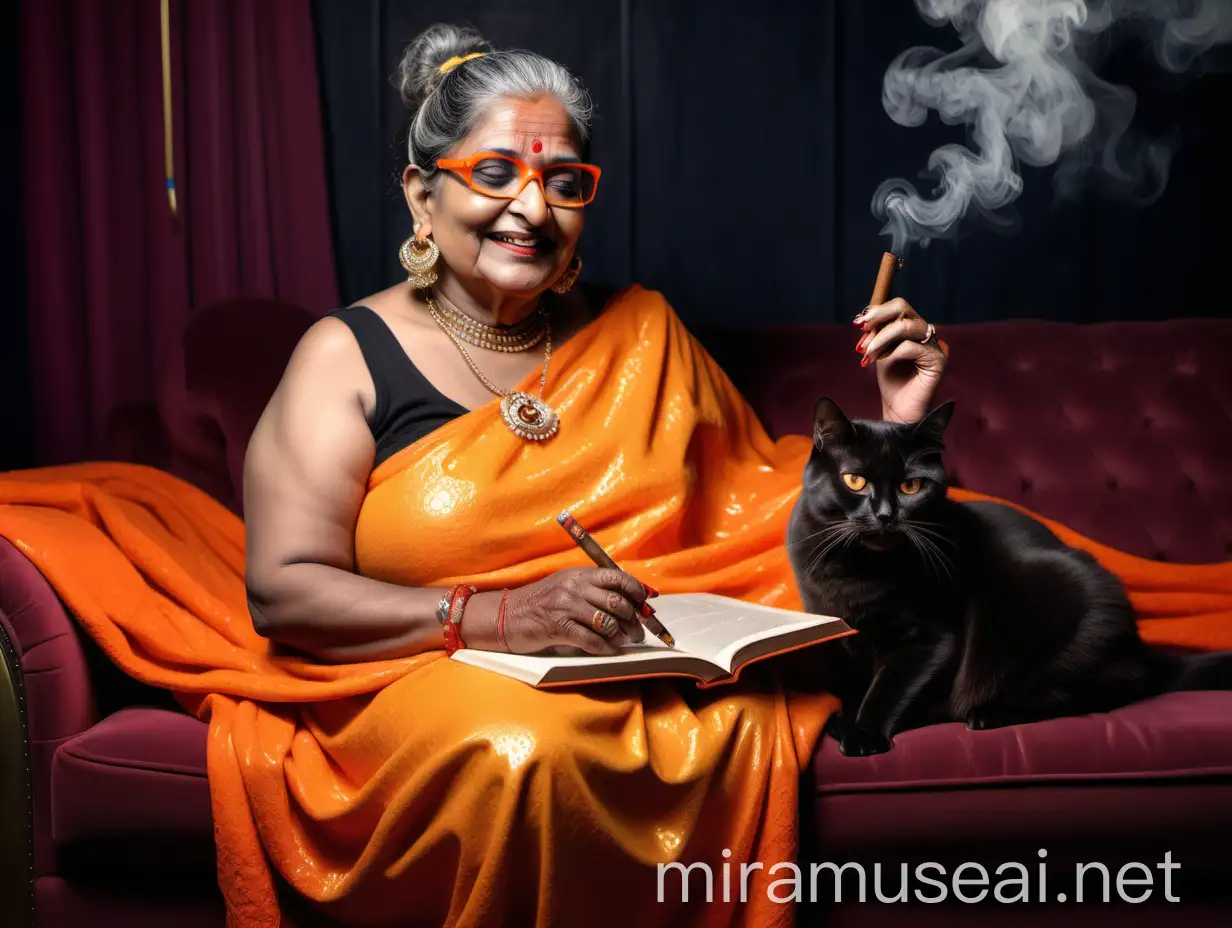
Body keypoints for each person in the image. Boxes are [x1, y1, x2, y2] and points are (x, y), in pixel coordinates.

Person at [234, 21, 953, 926]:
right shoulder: (344, 357)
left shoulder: (643, 331)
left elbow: (761, 524)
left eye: (563, 184)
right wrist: (496, 615)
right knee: (521, 751)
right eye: (494, 174)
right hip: (421, 678)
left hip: (637, 678)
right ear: (420, 196)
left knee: (714, 721)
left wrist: (898, 425)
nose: (532, 210)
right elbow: (285, 593)